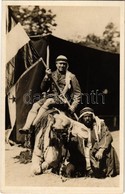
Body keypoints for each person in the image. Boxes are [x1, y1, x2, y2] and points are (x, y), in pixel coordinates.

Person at [19, 55, 81, 134]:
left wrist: (73, 106)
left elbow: (77, 94)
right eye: (60, 63)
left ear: (67, 65)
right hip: (50, 96)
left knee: (49, 101)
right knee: (35, 105)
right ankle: (27, 127)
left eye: (64, 64)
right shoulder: (51, 74)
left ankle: (33, 125)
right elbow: (43, 88)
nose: (62, 65)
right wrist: (46, 77)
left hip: (63, 100)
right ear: (56, 64)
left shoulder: (71, 77)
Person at [78, 107, 119, 178]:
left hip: (96, 151)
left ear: (92, 117)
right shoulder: (78, 128)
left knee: (110, 149)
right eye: (85, 117)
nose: (87, 118)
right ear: (82, 118)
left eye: (89, 116)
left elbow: (107, 135)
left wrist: (101, 150)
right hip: (83, 153)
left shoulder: (99, 125)